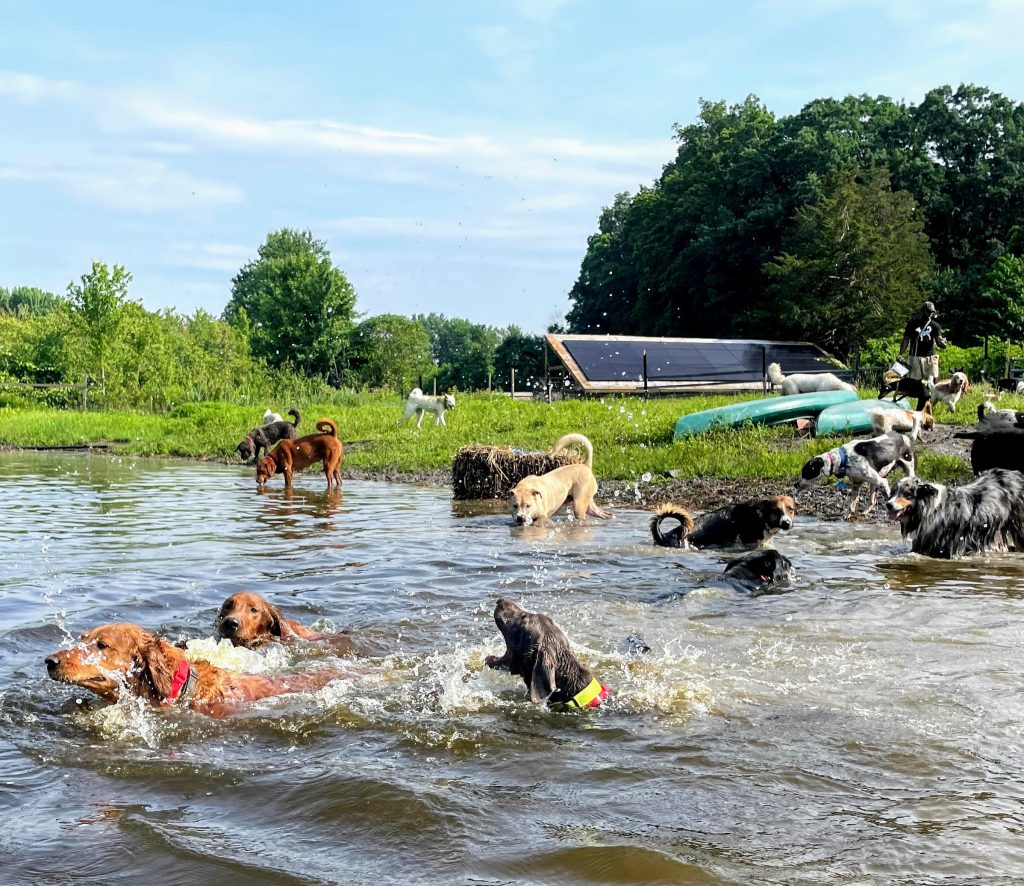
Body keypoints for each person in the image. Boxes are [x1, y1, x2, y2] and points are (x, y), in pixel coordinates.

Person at [899, 301, 947, 383]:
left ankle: (932, 396)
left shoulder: (935, 326)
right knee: (915, 383)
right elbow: (906, 340)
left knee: (933, 381)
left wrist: (943, 344)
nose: (930, 314)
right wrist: (901, 354)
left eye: (932, 312)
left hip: (929, 358)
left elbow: (939, 340)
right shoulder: (912, 324)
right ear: (923, 311)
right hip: (915, 357)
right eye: (928, 311)